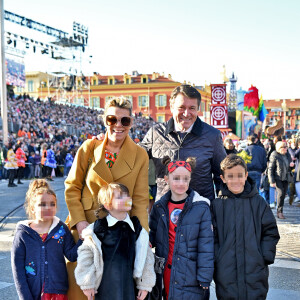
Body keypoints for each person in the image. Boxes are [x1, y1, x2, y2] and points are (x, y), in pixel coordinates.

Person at [65, 97, 149, 299]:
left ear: (131, 123)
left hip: (119, 236)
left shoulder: (140, 155)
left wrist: (143, 237)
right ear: (105, 120)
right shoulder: (88, 148)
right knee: (82, 290)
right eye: (112, 119)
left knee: (114, 291)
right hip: (86, 230)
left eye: (125, 121)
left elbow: (138, 200)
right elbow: (72, 187)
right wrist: (79, 222)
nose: (118, 125)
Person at [141, 84, 226, 201]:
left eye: (192, 108)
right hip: (164, 213)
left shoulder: (212, 136)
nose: (186, 114)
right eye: (181, 107)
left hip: (201, 213)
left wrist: (222, 209)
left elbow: (222, 177)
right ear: (171, 107)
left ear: (197, 109)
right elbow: (133, 161)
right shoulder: (155, 133)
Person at [211, 154, 280, 299]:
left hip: (254, 268)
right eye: (230, 176)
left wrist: (263, 256)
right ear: (223, 178)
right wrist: (218, 256)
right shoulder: (217, 206)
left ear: (246, 175)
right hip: (226, 269)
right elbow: (212, 236)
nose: (235, 180)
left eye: (239, 175)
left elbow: (270, 231)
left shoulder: (259, 203)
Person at [75, 183, 155, 300]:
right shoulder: (98, 229)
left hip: (129, 287)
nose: (127, 199)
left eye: (127, 195)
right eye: (120, 197)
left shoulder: (137, 229)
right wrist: (87, 283)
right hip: (105, 287)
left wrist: (145, 285)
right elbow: (86, 255)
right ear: (107, 205)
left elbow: (146, 257)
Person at [149, 156, 214, 300]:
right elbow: (153, 232)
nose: (181, 183)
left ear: (190, 179)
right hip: (166, 271)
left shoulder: (201, 207)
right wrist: (147, 240)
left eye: (185, 179)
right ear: (166, 179)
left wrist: (205, 275)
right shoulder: (159, 207)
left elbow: (206, 244)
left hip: (191, 274)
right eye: (176, 178)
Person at [11, 179, 82, 300]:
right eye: (42, 204)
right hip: (33, 293)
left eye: (52, 204)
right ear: (32, 208)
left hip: (58, 292)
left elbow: (72, 255)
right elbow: (18, 271)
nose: (48, 207)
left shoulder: (61, 229)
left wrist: (83, 238)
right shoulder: (23, 234)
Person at [268, 141, 294, 219]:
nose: (286, 149)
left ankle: (280, 210)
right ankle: (279, 212)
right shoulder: (274, 154)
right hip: (278, 177)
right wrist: (271, 180)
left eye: (286, 147)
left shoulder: (287, 155)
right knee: (281, 193)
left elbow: (289, 165)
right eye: (285, 147)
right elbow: (270, 168)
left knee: (283, 195)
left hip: (285, 177)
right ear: (280, 148)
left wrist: (291, 165)